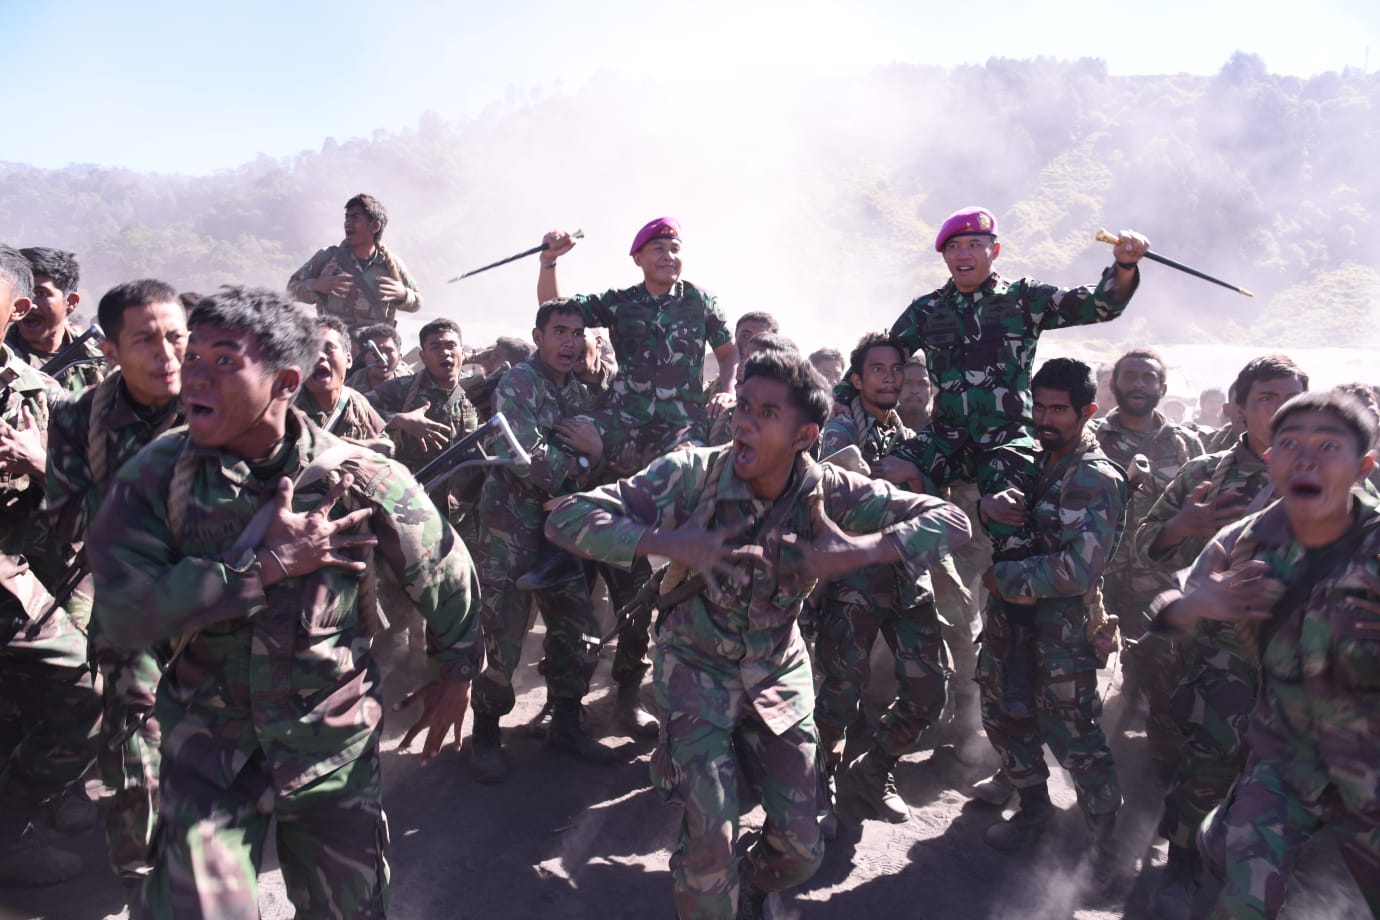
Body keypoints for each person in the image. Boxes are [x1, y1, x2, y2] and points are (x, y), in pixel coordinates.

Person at [87, 286, 482, 918]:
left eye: (224, 361)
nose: (195, 376)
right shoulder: (157, 476)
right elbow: (122, 613)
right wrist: (261, 568)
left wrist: (456, 674)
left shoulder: (360, 477)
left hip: (332, 751)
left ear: (285, 382)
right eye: (195, 358)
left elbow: (444, 571)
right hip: (206, 750)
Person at [545, 349, 971, 920]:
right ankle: (713, 889)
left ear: (805, 435)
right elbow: (567, 517)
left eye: (767, 413)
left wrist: (859, 552)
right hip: (694, 664)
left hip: (775, 668)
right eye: (743, 406)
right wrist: (667, 542)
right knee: (710, 840)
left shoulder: (829, 490)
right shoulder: (691, 474)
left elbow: (951, 520)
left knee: (800, 848)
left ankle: (748, 886)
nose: (744, 422)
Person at [1146, 390, 1380, 920]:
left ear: (1364, 466)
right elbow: (1164, 614)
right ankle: (1225, 832)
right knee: (1246, 896)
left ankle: (1223, 830)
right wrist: (1196, 605)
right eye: (1291, 444)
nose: (1306, 459)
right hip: (1283, 757)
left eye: (1328, 446)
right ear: (1270, 459)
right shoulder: (1244, 540)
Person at [1133, 355, 1308, 917]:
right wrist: (1181, 527)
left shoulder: (1337, 475)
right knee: (1208, 763)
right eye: (1267, 398)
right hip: (1220, 654)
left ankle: (1264, 880)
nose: (1281, 409)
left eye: (1293, 397)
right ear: (1237, 410)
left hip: (1302, 658)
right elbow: (1142, 548)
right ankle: (1182, 867)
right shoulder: (1205, 474)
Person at [44, 279, 187, 890]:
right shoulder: (80, 418)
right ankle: (141, 875)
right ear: (110, 350)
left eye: (177, 337)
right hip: (132, 602)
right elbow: (66, 521)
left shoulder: (227, 403)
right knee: (135, 741)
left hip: (226, 600)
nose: (167, 354)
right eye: (146, 340)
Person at [975, 358, 1127, 892]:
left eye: (1058, 409)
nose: (1045, 418)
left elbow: (1077, 569)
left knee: (1076, 739)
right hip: (1011, 624)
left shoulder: (1093, 477)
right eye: (1038, 407)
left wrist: (1003, 578)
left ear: (1087, 411)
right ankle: (1034, 813)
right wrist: (988, 509)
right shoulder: (1036, 461)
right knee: (1004, 716)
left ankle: (1103, 851)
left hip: (1061, 632)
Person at [469, 299, 612, 783]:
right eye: (560, 332)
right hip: (511, 529)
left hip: (563, 530)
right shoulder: (519, 382)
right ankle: (485, 732)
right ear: (538, 336)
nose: (570, 342)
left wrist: (590, 459)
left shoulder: (579, 389)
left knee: (579, 628)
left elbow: (601, 439)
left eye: (577, 333)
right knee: (502, 634)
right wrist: (582, 464)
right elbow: (520, 454)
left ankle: (566, 724)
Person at [814, 333, 950, 828]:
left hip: (907, 575)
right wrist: (897, 482)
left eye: (897, 370)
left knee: (929, 691)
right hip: (854, 580)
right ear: (856, 379)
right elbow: (840, 495)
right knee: (839, 694)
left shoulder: (904, 433)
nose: (891, 378)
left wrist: (911, 478)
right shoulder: (840, 428)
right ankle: (819, 783)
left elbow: (934, 499)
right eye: (878, 370)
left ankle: (874, 771)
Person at [0, 244, 100, 886]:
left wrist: (42, 467)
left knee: (86, 693)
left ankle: (12, 831)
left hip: (27, 576)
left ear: (13, 308)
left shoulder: (46, 396)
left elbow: (96, 497)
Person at [538, 217, 738, 476]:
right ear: (637, 258)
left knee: (687, 469)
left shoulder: (700, 301)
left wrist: (727, 391)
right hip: (623, 419)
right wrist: (549, 261)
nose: (668, 256)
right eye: (658, 249)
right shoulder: (620, 303)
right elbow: (555, 312)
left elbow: (729, 353)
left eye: (674, 249)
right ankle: (572, 497)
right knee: (565, 437)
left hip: (682, 425)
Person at [1088, 348, 1204, 769]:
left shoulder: (1185, 443)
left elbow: (1197, 511)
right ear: (1114, 385)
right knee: (1075, 671)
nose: (1138, 383)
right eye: (1130, 376)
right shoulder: (1090, 436)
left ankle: (1159, 766)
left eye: (1148, 377)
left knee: (1161, 673)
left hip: (1157, 580)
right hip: (1094, 575)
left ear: (1163, 388)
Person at [367, 318, 481, 508]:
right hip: (411, 504)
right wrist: (400, 420)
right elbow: (355, 412)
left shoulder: (477, 391)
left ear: (462, 352)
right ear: (423, 356)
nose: (445, 352)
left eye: (451, 346)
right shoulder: (401, 389)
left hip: (462, 509)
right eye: (435, 347)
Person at [287, 193, 422, 336]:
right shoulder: (327, 257)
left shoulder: (392, 264)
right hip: (336, 341)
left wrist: (403, 295)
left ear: (375, 226)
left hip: (374, 343)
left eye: (355, 217)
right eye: (347, 217)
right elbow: (290, 290)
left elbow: (418, 302)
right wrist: (317, 285)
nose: (347, 223)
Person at [11, 247, 104, 394]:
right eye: (23, 292)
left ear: (71, 301)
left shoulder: (96, 362)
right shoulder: (5, 359)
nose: (29, 304)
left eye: (41, 293)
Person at [296, 316, 386, 446]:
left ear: (348, 360)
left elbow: (382, 440)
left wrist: (378, 450)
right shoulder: (286, 407)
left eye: (327, 348)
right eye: (311, 350)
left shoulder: (357, 403)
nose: (319, 355)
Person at [345, 322, 409, 394]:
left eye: (388, 350)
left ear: (399, 358)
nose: (383, 358)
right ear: (364, 357)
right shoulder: (349, 389)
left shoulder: (411, 386)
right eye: (375, 351)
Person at [896, 352, 933, 431]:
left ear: (931, 390)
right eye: (907, 383)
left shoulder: (944, 427)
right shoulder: (880, 423)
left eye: (922, 384)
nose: (915, 390)